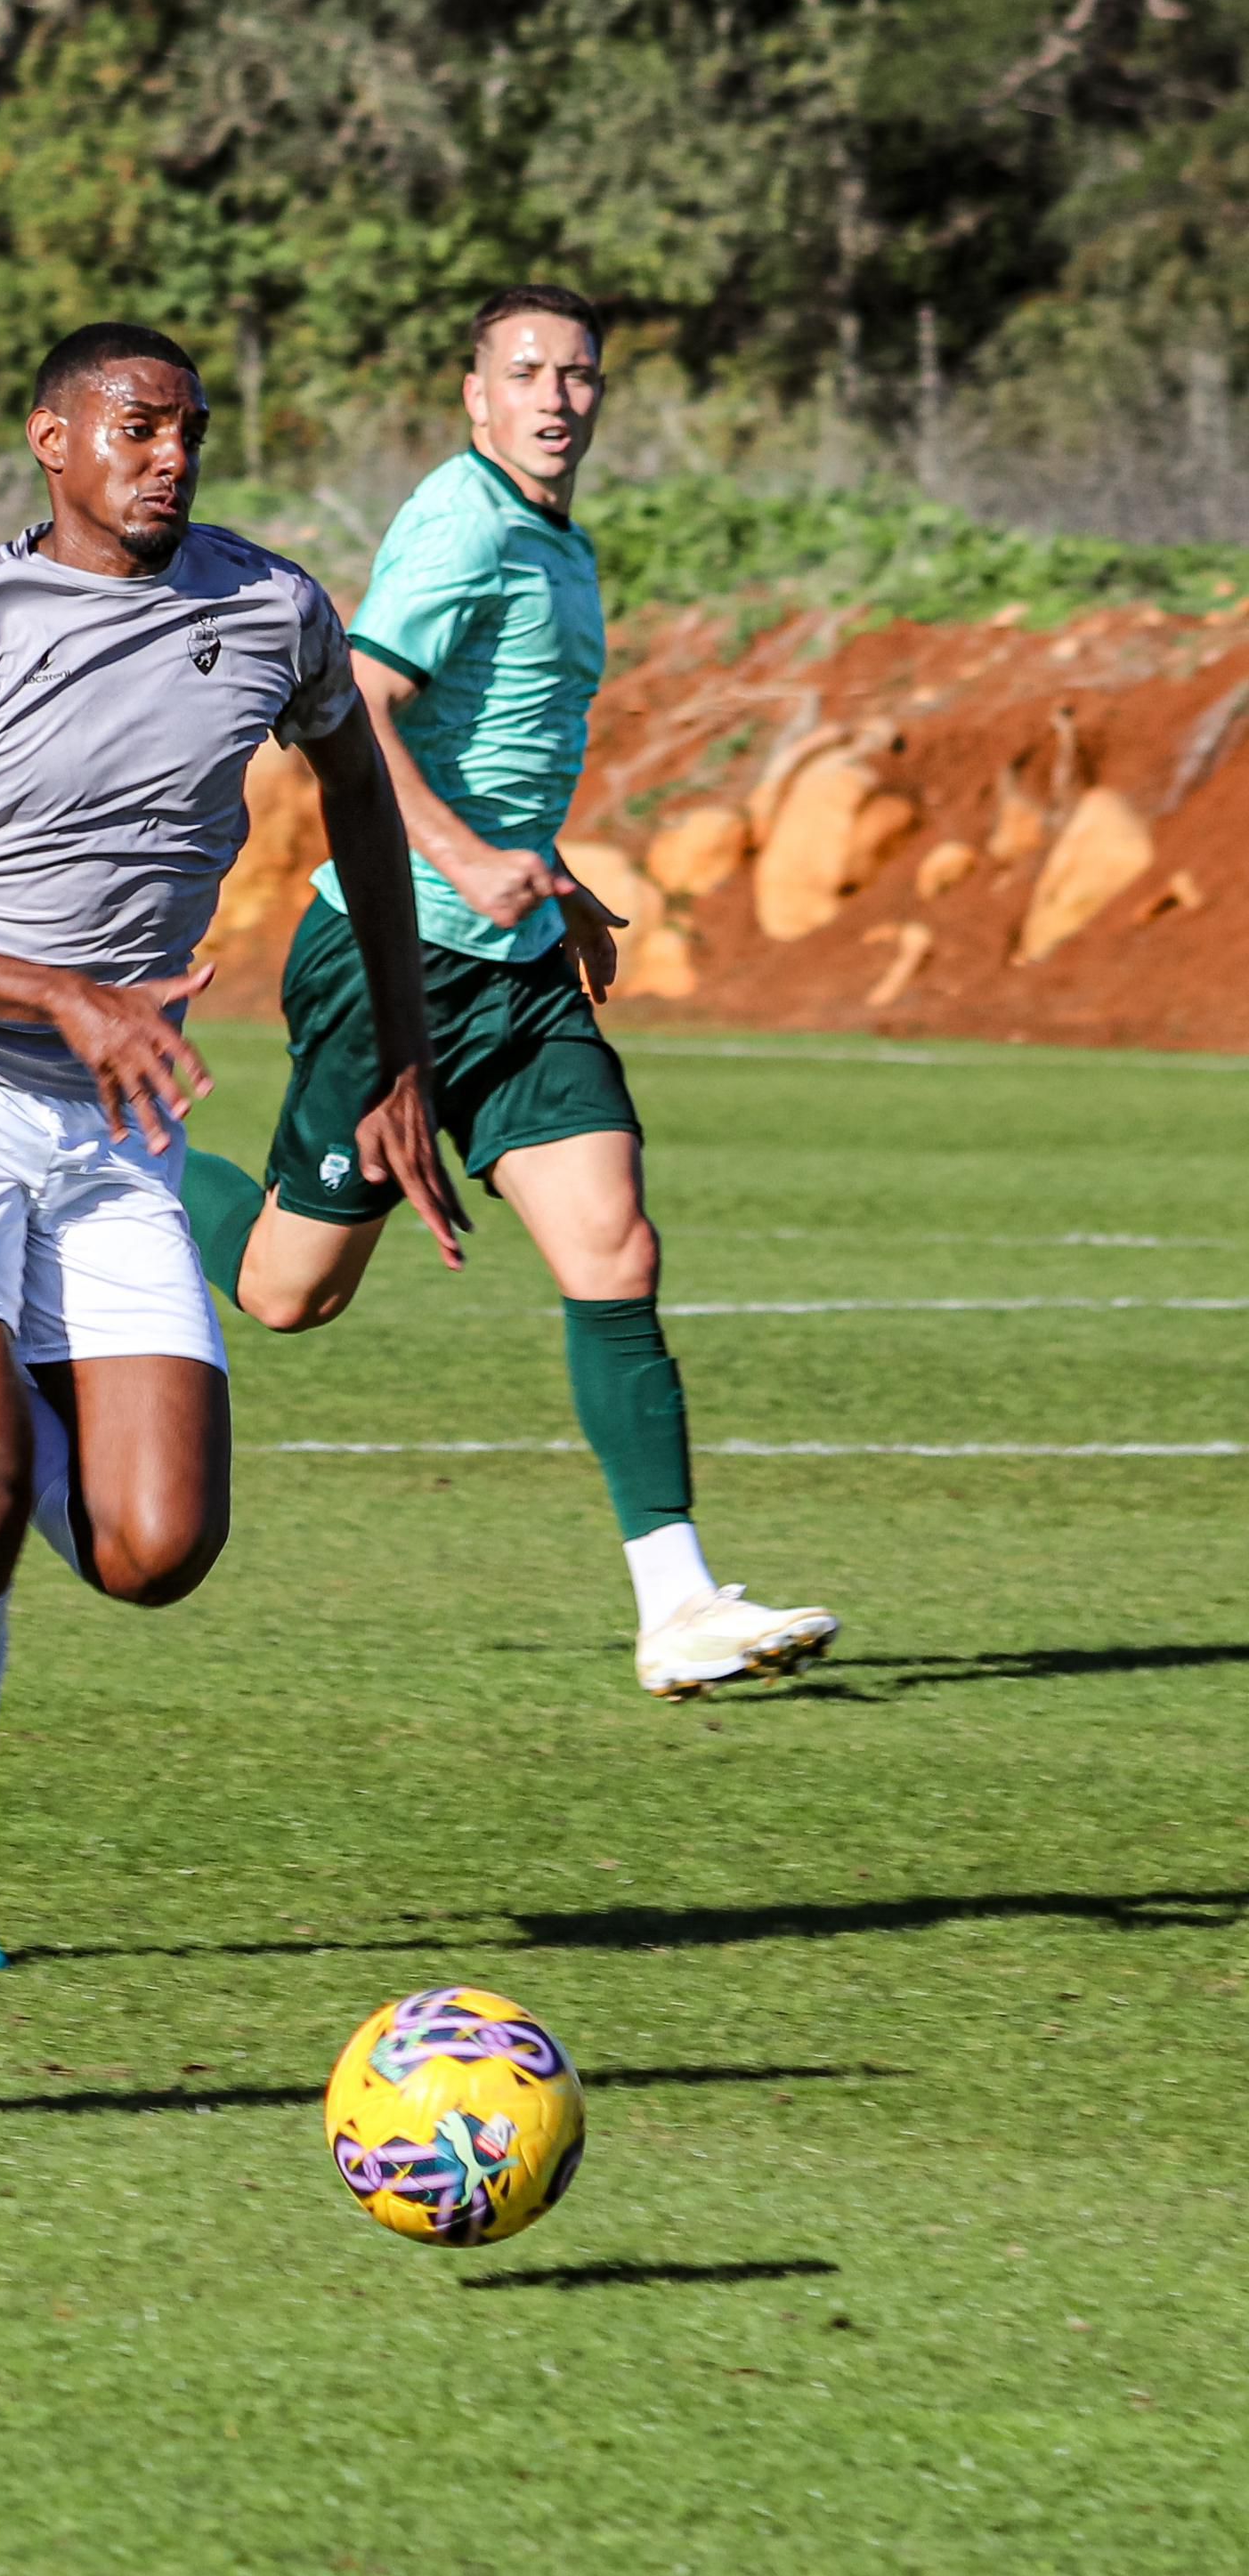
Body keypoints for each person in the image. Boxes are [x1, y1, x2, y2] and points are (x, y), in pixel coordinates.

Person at [0, 323, 456, 1974]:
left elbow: (364, 802)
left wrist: (406, 1056)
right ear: (54, 441)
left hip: (115, 1117)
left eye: (188, 427)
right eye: (136, 426)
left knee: (154, 1550)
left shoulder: (271, 609)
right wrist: (74, 996)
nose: (170, 455)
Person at [173, 286, 839, 1702]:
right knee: (292, 1296)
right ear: (475, 395)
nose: (555, 395)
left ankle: (677, 1603)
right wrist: (467, 853)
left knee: (617, 1248)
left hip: (516, 969)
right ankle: (118, 1161)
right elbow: (354, 697)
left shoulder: (555, 537)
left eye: (579, 374)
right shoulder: (465, 516)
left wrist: (549, 878)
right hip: (388, 960)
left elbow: (501, 748)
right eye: (525, 372)